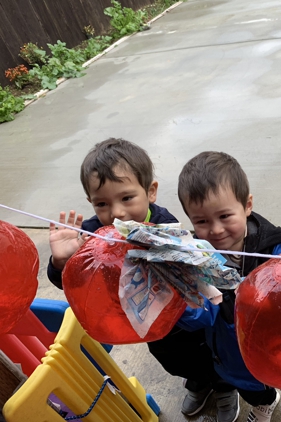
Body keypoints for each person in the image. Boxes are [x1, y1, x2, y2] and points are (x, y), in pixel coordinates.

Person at [46, 138, 220, 418]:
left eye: (127, 198)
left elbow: (190, 274)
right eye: (102, 203)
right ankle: (199, 382)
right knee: (172, 361)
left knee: (201, 356)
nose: (116, 212)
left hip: (176, 320)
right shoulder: (91, 233)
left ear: (150, 191)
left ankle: (222, 388)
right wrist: (63, 262)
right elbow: (75, 285)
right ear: (91, 202)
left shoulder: (163, 227)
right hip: (137, 322)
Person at [176, 151, 281, 422]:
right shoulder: (195, 259)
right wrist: (181, 302)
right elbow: (198, 317)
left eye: (225, 216)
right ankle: (265, 401)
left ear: (247, 205)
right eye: (202, 221)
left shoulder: (275, 249)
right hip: (233, 349)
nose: (216, 230)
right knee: (250, 386)